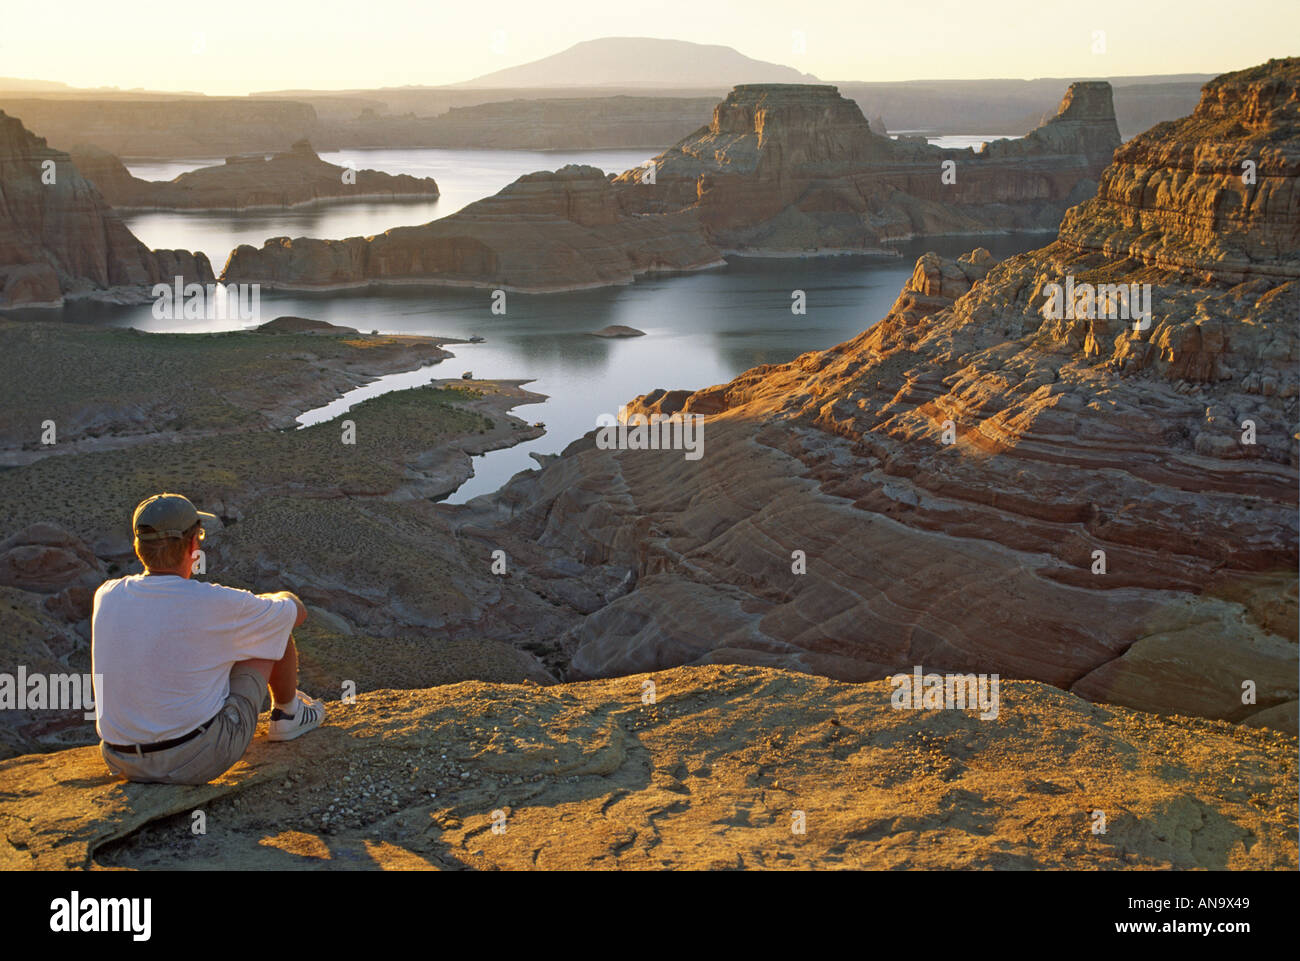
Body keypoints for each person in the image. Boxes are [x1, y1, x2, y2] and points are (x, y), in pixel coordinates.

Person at [91, 492, 325, 784]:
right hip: (194, 758)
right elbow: (296, 614)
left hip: (118, 758)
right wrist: (280, 597)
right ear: (194, 545)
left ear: (138, 547)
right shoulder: (211, 602)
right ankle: (289, 715)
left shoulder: (107, 594)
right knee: (270, 624)